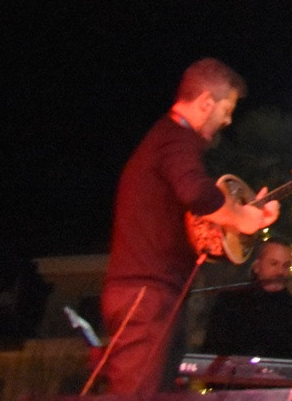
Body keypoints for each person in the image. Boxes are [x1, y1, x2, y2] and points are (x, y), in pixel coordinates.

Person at [96, 59, 279, 395]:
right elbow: (196, 192)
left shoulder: (171, 142)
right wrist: (240, 218)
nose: (228, 119)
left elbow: (199, 225)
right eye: (227, 108)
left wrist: (245, 217)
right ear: (207, 102)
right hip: (145, 293)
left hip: (158, 293)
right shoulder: (175, 138)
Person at [200, 239, 292, 360]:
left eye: (286, 266)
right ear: (257, 266)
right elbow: (211, 356)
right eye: (274, 264)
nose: (280, 272)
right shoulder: (230, 303)